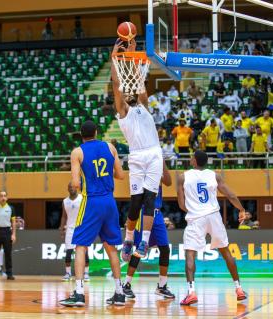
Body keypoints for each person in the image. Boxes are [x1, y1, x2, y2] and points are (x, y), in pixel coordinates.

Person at [59, 120, 125, 307]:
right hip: (110, 202)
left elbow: (76, 184)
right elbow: (120, 175)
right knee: (111, 247)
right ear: (96, 132)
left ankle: (79, 293)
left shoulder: (77, 152)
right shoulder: (110, 147)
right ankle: (119, 292)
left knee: (80, 245)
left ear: (81, 135)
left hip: (92, 201)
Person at [111, 38, 163, 260]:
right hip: (137, 157)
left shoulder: (143, 104)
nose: (129, 93)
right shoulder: (123, 113)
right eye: (126, 93)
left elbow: (137, 82)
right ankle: (129, 238)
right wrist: (115, 58)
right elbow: (116, 84)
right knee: (136, 201)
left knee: (150, 199)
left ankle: (143, 241)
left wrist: (130, 57)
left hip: (154, 153)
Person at [177, 150, 247, 305]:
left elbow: (181, 205)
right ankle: (239, 288)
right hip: (214, 216)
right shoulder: (214, 175)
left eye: (191, 157)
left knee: (190, 254)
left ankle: (191, 292)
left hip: (196, 218)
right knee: (226, 251)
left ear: (194, 160)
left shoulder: (183, 177)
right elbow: (231, 196)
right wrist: (241, 210)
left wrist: (195, 211)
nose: (190, 158)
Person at [123, 162, 175, 300]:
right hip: (143, 213)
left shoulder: (156, 170)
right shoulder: (140, 172)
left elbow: (169, 182)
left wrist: (162, 163)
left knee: (165, 249)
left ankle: (162, 286)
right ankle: (126, 284)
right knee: (140, 250)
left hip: (157, 214)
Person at [59, 182, 89, 281]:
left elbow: (87, 213)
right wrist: (61, 228)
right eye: (69, 187)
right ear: (67, 189)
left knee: (84, 252)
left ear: (77, 188)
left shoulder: (82, 198)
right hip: (70, 229)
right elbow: (64, 216)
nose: (71, 188)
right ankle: (68, 273)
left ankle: (86, 273)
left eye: (73, 186)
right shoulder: (65, 201)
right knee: (68, 252)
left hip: (81, 228)